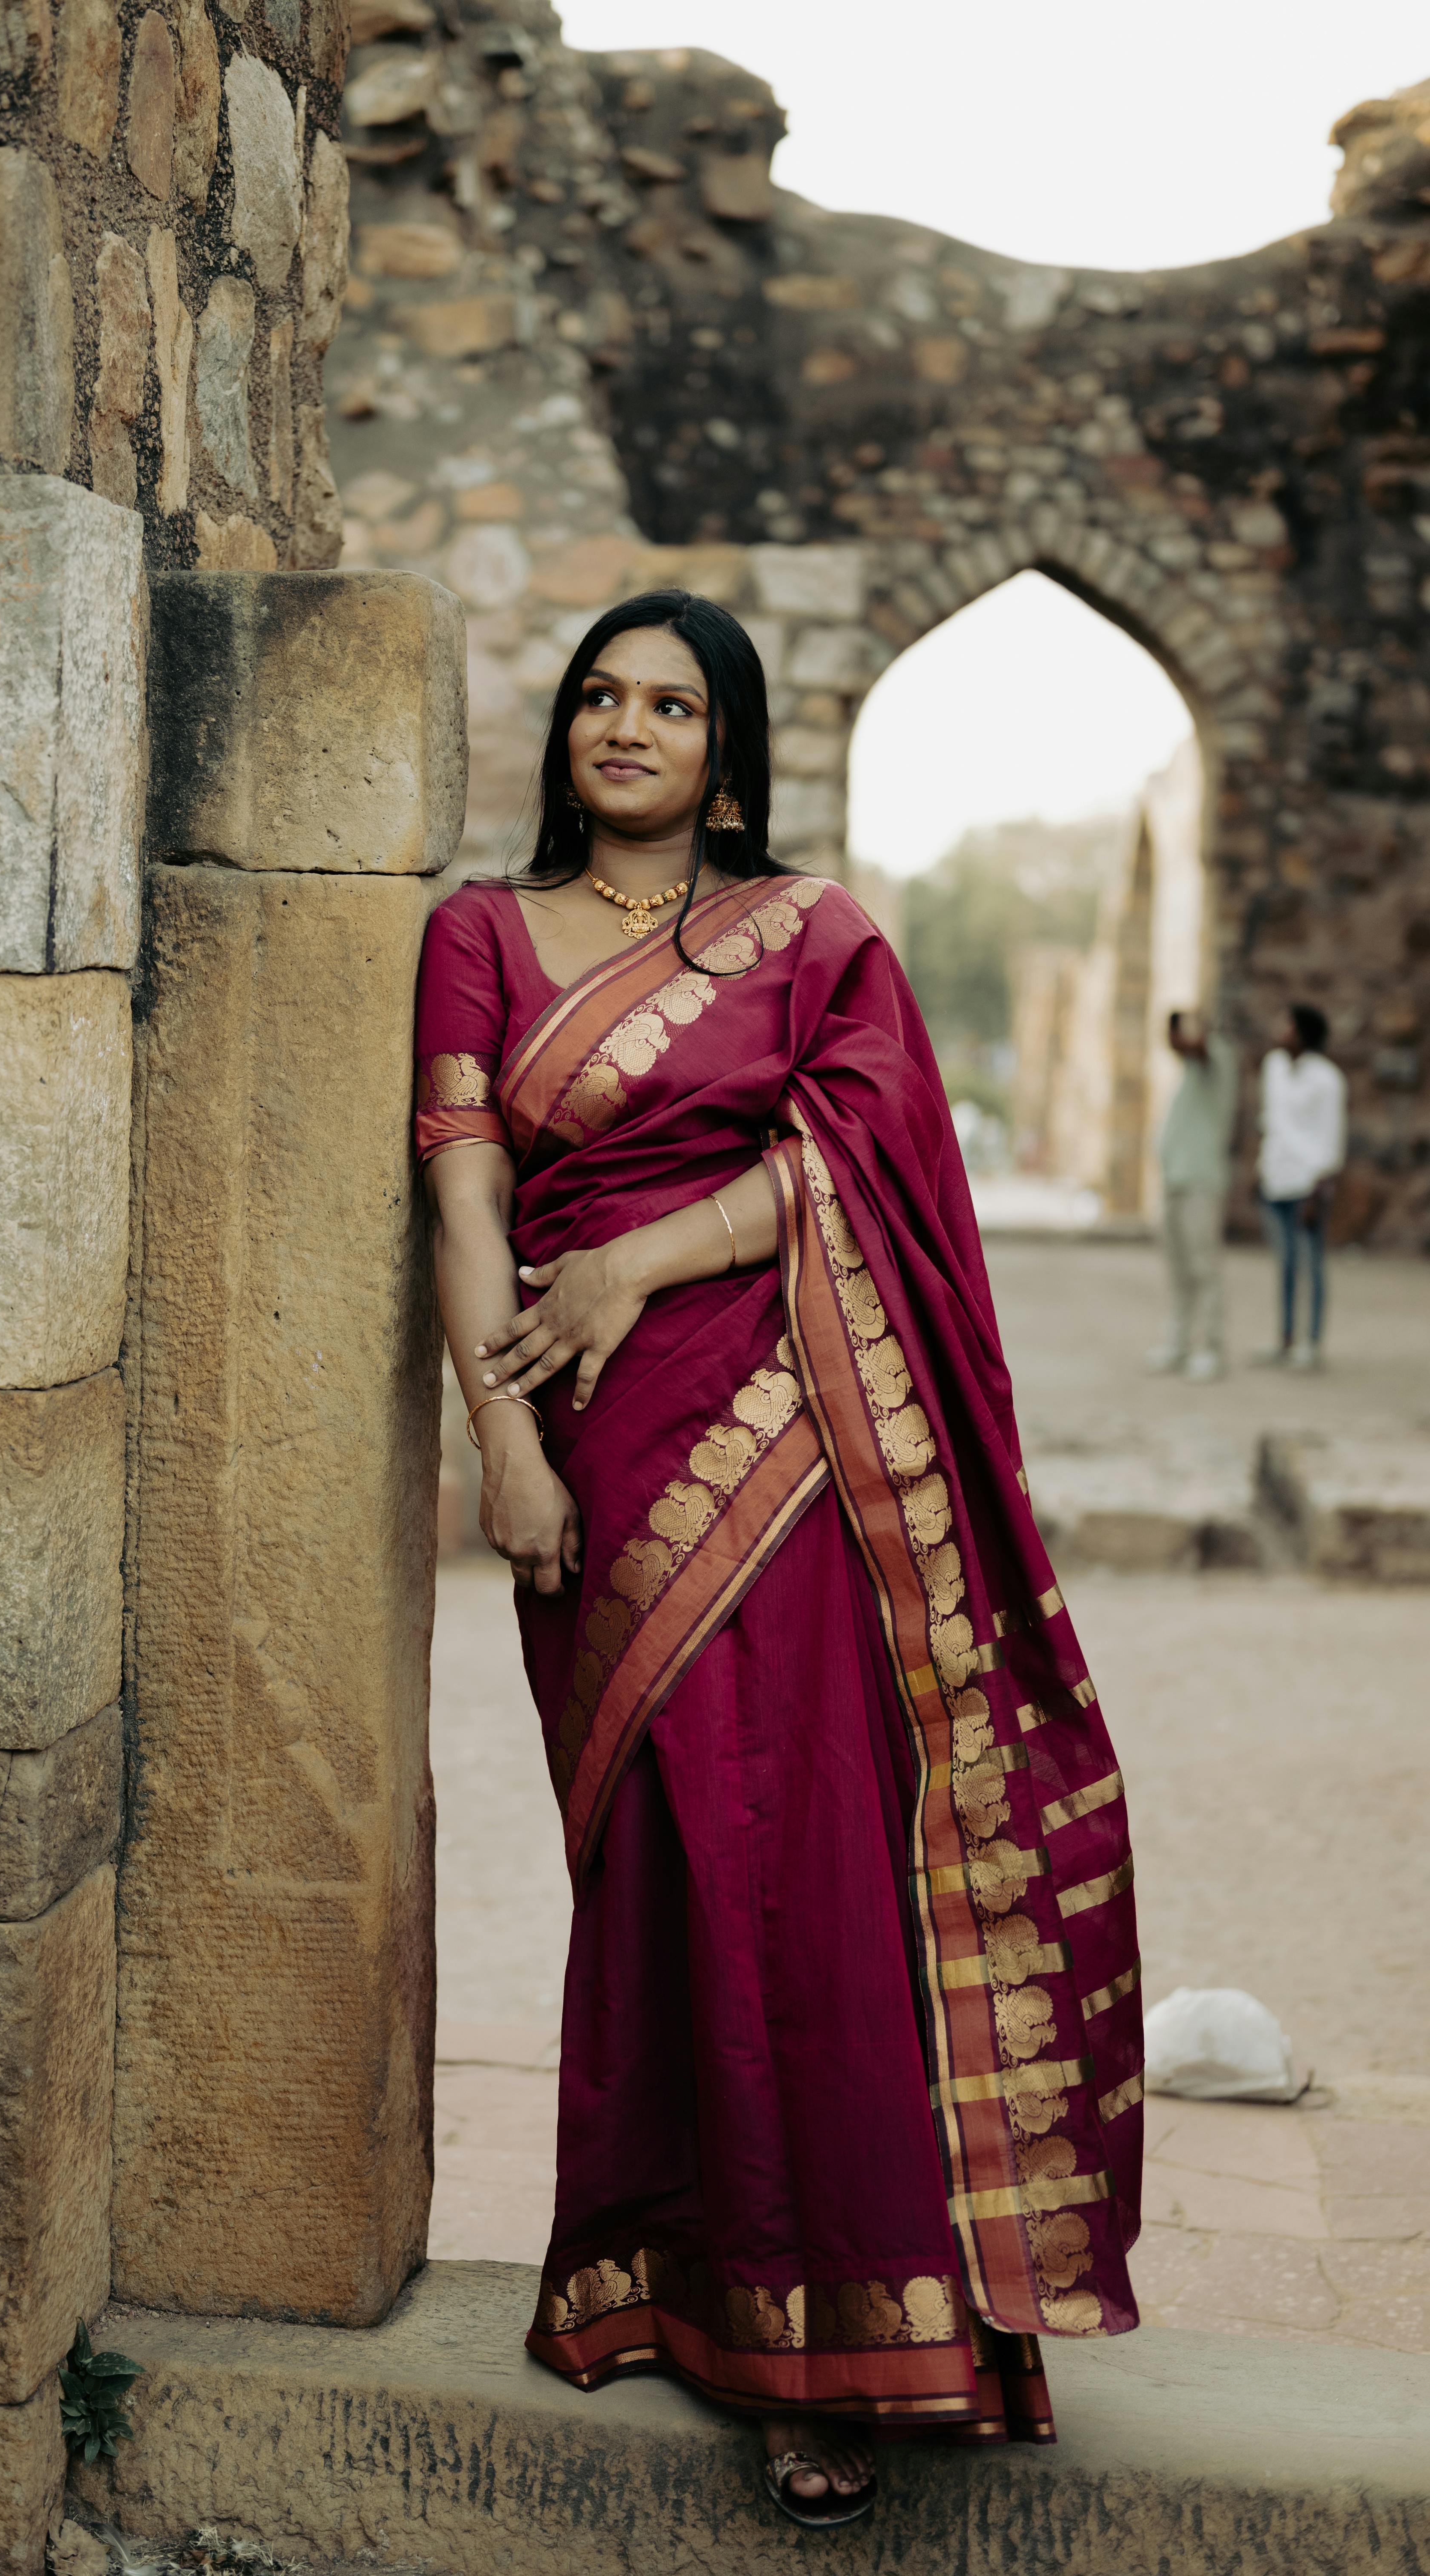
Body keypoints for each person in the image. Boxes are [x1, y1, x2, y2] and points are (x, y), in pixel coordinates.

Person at [415, 593, 1143, 2530]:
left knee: (799, 1859)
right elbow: (464, 1184)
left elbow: (862, 1161)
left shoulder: (810, 935)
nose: (624, 727)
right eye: (597, 696)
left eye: (668, 703)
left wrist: (639, 1256)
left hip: (790, 1449)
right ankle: (674, 2273)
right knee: (653, 1862)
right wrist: (498, 1437)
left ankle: (840, 2341)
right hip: (584, 1460)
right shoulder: (476, 936)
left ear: (725, 748)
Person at [1254, 1003, 1346, 1371]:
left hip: (1307, 1184)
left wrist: (1320, 1185)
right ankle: (1286, 1338)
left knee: (1311, 1264)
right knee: (1286, 1265)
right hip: (1275, 1178)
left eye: (1287, 1024)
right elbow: (1272, 1123)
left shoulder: (1327, 1079)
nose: (1280, 1030)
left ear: (1302, 1033)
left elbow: (1330, 1136)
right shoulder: (1273, 1068)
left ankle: (1312, 1342)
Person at [1148, 1010, 1238, 1382]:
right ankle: (1179, 1343)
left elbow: (1197, 1046)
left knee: (1204, 1268)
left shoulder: (1219, 1059)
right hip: (1175, 1180)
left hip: (1202, 1181)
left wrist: (1191, 1030)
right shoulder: (1187, 1073)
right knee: (1179, 1269)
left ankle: (1210, 1348)